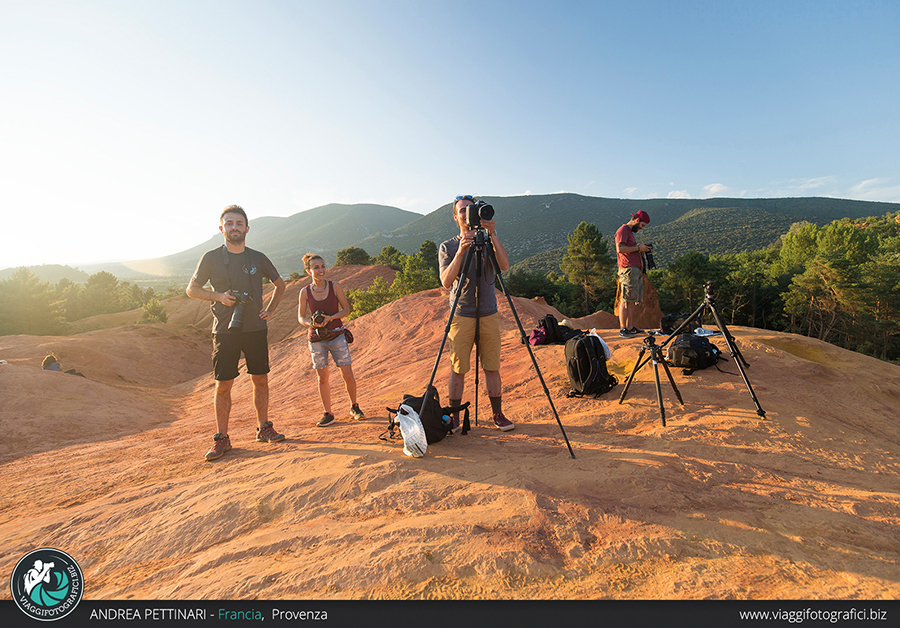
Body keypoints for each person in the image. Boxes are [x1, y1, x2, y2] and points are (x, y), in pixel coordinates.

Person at [187, 205, 287, 461]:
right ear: (221, 228)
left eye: (239, 224)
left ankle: (264, 428)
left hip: (255, 327)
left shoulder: (258, 257)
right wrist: (218, 296)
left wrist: (270, 310)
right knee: (223, 385)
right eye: (229, 223)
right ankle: (222, 438)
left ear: (246, 228)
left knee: (261, 379)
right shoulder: (210, 257)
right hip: (224, 329)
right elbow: (192, 289)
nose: (234, 228)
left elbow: (280, 284)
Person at [438, 195, 514, 432]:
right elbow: (446, 282)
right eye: (462, 211)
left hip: (489, 312)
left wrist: (493, 234)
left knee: (492, 366)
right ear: (455, 217)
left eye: (470, 210)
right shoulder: (448, 246)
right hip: (461, 313)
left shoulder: (489, 241)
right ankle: (455, 416)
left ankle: (498, 414)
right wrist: (461, 251)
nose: (466, 214)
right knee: (458, 368)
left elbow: (504, 266)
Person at [297, 253, 364, 427]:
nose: (321, 270)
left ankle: (354, 406)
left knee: (347, 374)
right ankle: (328, 413)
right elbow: (300, 317)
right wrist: (310, 323)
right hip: (316, 339)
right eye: (316, 267)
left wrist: (330, 318)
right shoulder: (304, 292)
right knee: (322, 378)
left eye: (322, 266)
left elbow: (346, 310)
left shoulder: (335, 286)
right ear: (308, 271)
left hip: (336, 335)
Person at [615, 209, 652, 338]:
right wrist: (638, 248)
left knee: (631, 300)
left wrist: (641, 249)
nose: (641, 229)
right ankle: (623, 329)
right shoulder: (623, 230)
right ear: (637, 220)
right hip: (627, 270)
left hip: (633, 270)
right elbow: (620, 249)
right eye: (641, 226)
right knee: (625, 300)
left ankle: (630, 327)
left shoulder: (628, 232)